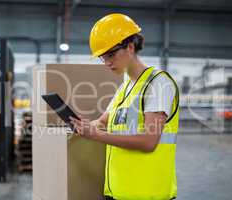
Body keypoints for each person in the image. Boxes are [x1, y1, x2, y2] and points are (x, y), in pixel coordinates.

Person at [70, 13, 179, 200]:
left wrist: (95, 134)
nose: (107, 63)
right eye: (102, 57)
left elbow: (148, 142)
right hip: (118, 193)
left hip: (147, 194)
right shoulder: (125, 87)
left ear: (130, 47)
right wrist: (84, 126)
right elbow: (103, 121)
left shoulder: (158, 83)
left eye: (111, 54)